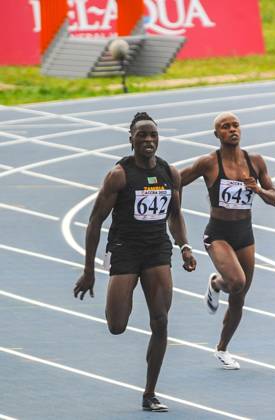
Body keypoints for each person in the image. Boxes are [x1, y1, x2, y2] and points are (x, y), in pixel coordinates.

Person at [73, 112, 197, 411]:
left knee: (161, 321)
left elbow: (174, 214)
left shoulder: (170, 173)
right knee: (117, 325)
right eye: (142, 135)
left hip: (157, 251)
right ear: (131, 138)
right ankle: (118, 304)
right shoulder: (119, 175)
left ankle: (150, 393)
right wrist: (88, 270)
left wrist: (184, 246)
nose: (148, 140)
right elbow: (94, 222)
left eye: (153, 134)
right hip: (125, 250)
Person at [179, 112, 275, 370]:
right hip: (218, 233)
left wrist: (257, 189)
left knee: (239, 296)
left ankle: (222, 349)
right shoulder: (208, 163)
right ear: (217, 134)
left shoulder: (255, 161)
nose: (232, 130)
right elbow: (177, 180)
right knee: (236, 282)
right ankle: (216, 282)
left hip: (244, 233)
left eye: (235, 125)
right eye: (225, 127)